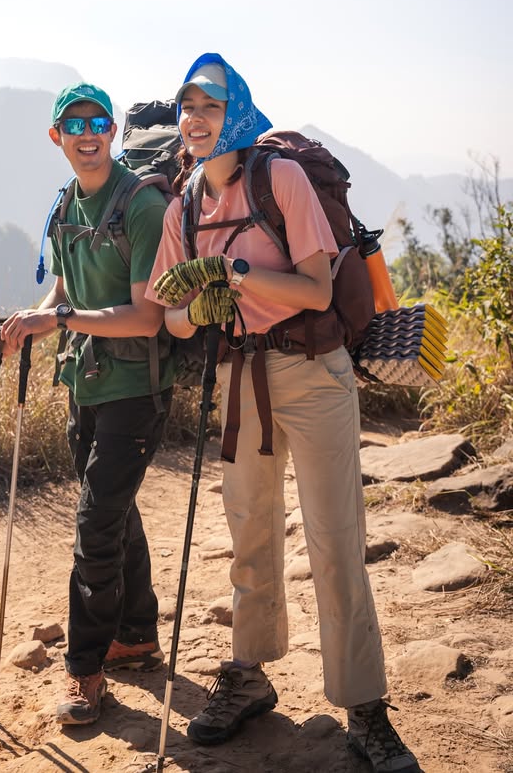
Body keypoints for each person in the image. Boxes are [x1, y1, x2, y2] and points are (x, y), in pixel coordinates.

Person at [146, 53, 420, 773]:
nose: (195, 119)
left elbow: (315, 291)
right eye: (186, 107)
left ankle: (364, 705)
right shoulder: (186, 204)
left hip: (312, 371)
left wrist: (231, 275)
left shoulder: (282, 179)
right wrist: (194, 309)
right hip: (240, 376)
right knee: (249, 536)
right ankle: (250, 672)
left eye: (209, 105)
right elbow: (170, 315)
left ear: (235, 111)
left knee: (335, 540)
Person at [0, 82, 175, 727]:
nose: (88, 132)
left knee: (96, 526)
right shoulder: (68, 203)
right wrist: (19, 328)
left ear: (114, 131)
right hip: (86, 383)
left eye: (99, 122)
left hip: (135, 390)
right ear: (56, 135)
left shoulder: (141, 206)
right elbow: (64, 292)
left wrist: (59, 319)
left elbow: (147, 318)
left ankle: (86, 671)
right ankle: (137, 633)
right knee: (115, 511)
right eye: (74, 122)